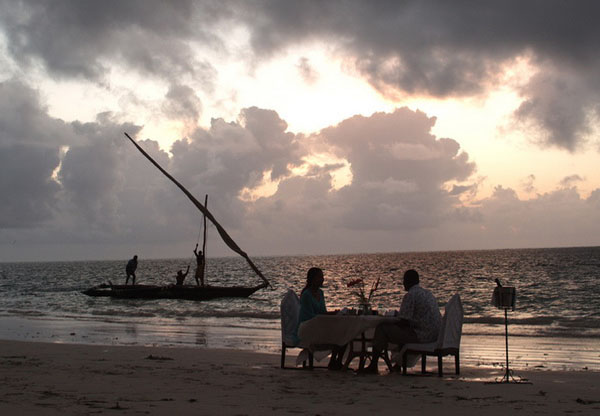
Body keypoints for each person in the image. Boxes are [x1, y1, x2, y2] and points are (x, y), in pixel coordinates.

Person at [362, 269, 441, 374]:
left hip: (421, 335)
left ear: (408, 281)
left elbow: (403, 320)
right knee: (402, 330)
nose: (403, 283)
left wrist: (388, 320)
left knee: (382, 329)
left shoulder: (410, 295)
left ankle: (373, 365)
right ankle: (398, 364)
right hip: (434, 335)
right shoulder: (428, 294)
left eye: (404, 280)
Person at [298, 267, 346, 370]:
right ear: (312, 279)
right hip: (308, 326)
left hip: (319, 323)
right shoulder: (306, 295)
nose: (322, 279)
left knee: (344, 332)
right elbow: (309, 316)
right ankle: (334, 362)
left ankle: (336, 361)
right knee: (338, 334)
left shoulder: (320, 293)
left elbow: (322, 312)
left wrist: (333, 313)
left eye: (322, 277)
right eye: (319, 277)